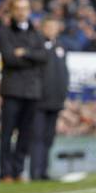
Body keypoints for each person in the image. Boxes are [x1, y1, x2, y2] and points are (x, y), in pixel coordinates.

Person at [0, 0, 47, 182]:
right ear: (11, 10)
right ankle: (5, 172)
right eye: (17, 8)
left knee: (25, 133)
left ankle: (18, 170)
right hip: (11, 90)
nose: (21, 11)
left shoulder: (36, 33)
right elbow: (10, 58)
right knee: (7, 133)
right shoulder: (5, 32)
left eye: (25, 8)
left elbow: (43, 56)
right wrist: (31, 57)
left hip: (32, 91)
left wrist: (24, 52)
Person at [29, 16, 69, 181]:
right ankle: (35, 172)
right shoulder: (36, 44)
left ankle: (44, 171)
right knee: (37, 137)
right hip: (39, 100)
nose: (53, 30)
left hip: (56, 100)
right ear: (43, 28)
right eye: (50, 27)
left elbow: (64, 73)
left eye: (55, 27)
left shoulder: (60, 46)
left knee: (48, 137)